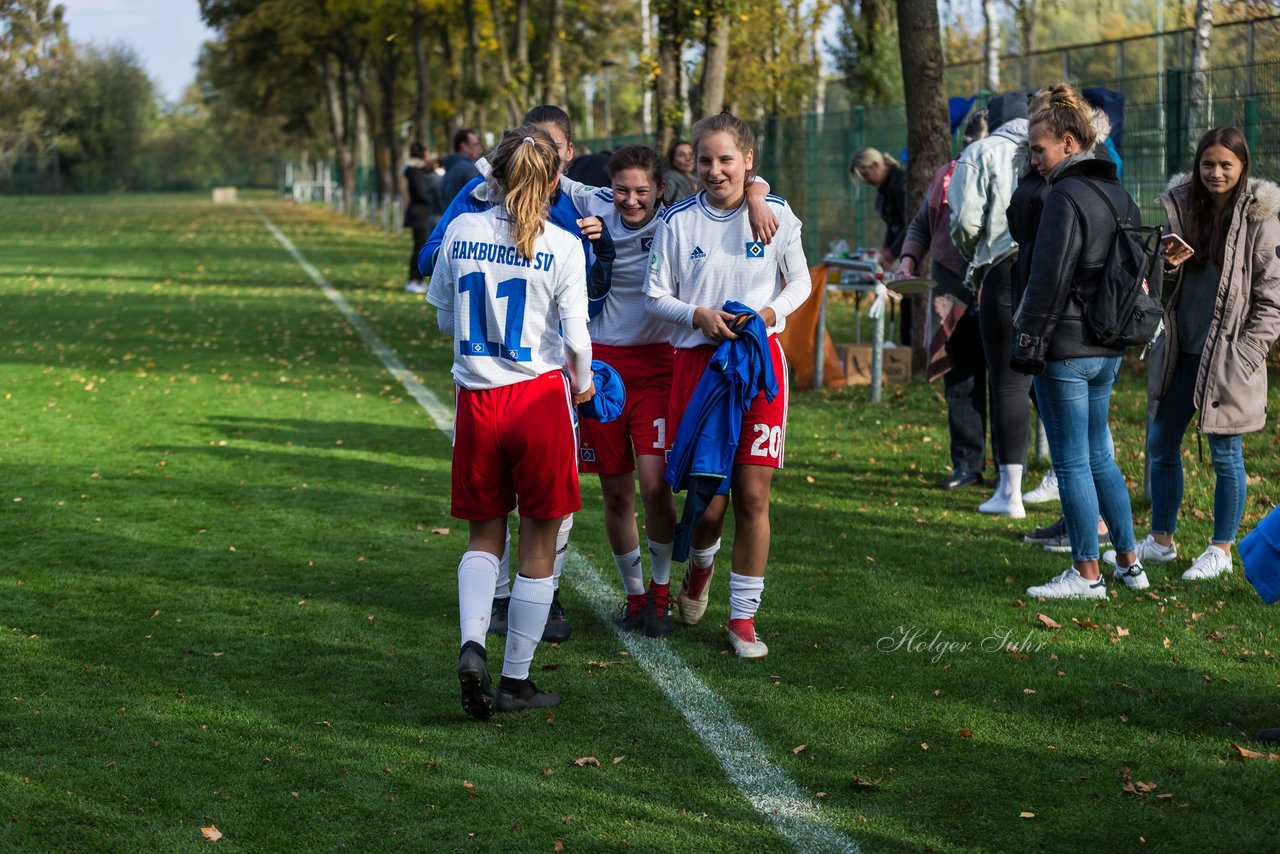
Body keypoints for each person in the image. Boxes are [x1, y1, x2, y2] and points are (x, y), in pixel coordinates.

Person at [427, 126, 595, 717]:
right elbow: (577, 338)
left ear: (492, 176)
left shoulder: (462, 230)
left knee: (482, 538)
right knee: (540, 543)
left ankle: (473, 641)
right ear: (555, 182)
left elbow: (446, 319)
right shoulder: (563, 244)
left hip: (477, 402)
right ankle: (515, 681)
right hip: (538, 400)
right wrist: (586, 385)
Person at [644, 111, 811, 658]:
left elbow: (801, 282)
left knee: (753, 496)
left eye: (727, 160)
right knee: (710, 504)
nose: (715, 171)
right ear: (693, 162)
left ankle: (743, 621)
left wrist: (765, 314)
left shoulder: (777, 215)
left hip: (759, 368)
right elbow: (654, 295)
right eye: (706, 160)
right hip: (698, 371)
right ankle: (700, 566)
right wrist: (697, 316)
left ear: (748, 161)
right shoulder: (677, 223)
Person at [1111, 127, 1280, 581]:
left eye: (1226, 164)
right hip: (1181, 350)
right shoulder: (1181, 206)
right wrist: (1165, 265)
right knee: (1161, 444)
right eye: (1208, 164)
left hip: (1229, 359)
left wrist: (1246, 354)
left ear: (1243, 166)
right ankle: (1162, 541)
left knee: (1227, 454)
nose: (1216, 173)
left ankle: (1220, 549)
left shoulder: (1261, 218)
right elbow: (1159, 288)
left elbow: (1272, 300)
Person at [1010, 83, 1144, 599]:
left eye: (1038, 150)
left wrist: (1027, 342)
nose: (1033, 159)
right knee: (1099, 457)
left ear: (1069, 143)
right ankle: (1129, 565)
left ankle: (1087, 574)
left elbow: (1048, 277)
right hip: (1107, 346)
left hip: (1066, 347)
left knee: (1070, 462)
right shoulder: (1117, 191)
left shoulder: (1064, 195)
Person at [573, 145, 680, 637]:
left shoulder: (678, 222)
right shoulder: (594, 206)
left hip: (658, 365)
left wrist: (761, 193)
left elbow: (741, 194)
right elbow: (548, 178)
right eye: (621, 190)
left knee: (655, 485)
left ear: (660, 188)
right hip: (602, 369)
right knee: (616, 492)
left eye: (641, 190)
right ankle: (635, 598)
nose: (631, 201)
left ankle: (661, 595)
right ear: (608, 189)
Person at [949, 92, 1033, 519]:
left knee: (1007, 382)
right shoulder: (1049, 149)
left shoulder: (980, 151)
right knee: (1053, 383)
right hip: (1051, 269)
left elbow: (964, 220)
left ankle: (1010, 491)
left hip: (1001, 268)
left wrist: (974, 253)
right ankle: (1062, 480)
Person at [897, 109, 989, 491]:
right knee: (960, 382)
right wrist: (907, 262)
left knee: (1007, 385)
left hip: (998, 294)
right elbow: (921, 223)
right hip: (949, 292)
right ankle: (967, 466)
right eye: (973, 146)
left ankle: (1010, 472)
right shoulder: (945, 175)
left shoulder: (1016, 175)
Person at [850, 147, 908, 265]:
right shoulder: (887, 189)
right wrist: (885, 250)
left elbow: (911, 223)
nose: (865, 181)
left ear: (875, 165)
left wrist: (892, 252)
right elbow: (893, 226)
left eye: (865, 174)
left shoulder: (900, 185)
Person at [402, 142, 442, 294]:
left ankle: (418, 279)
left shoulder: (417, 171)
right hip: (419, 215)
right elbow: (421, 192)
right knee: (419, 247)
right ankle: (414, 279)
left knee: (420, 246)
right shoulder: (415, 172)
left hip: (421, 213)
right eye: (426, 153)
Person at [439, 127, 484, 208]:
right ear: (463, 146)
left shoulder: (450, 167)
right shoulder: (468, 169)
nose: (479, 148)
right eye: (475, 144)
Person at [663, 139, 697, 205]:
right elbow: (659, 207)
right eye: (681, 155)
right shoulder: (670, 180)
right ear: (673, 160)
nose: (688, 159)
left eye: (690, 154)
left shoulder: (696, 178)